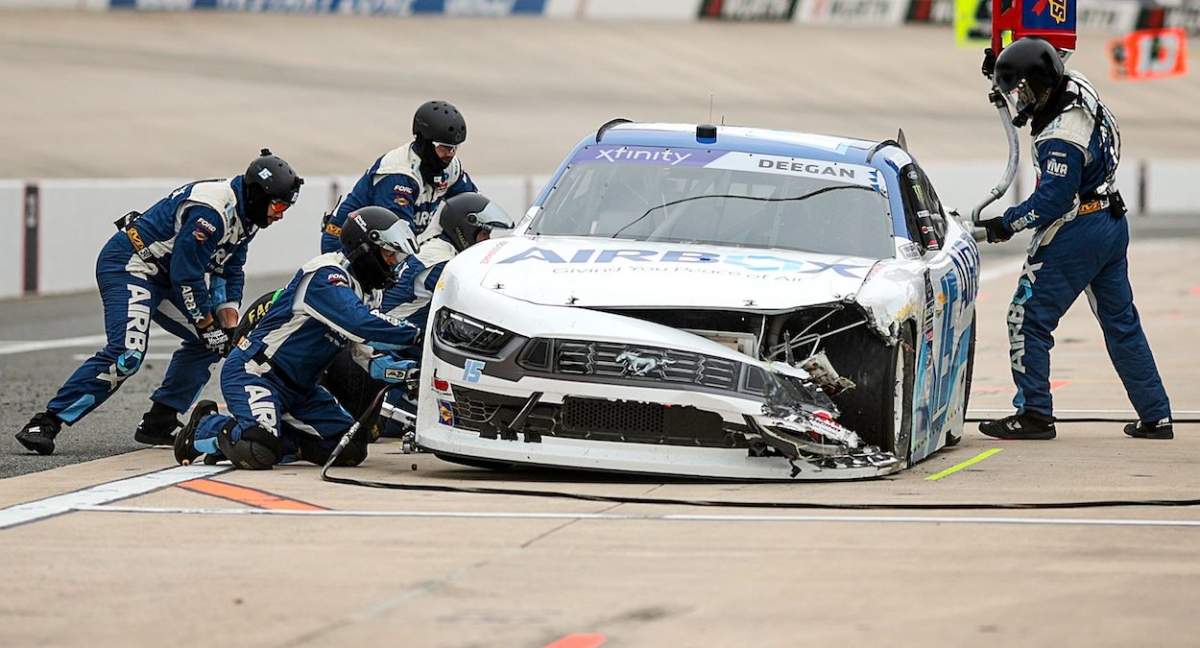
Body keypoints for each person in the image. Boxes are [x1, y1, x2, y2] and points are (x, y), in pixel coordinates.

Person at [15, 150, 303, 455]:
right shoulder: (211, 213)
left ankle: (160, 420)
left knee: (213, 342)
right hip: (132, 265)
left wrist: (228, 327)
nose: (280, 214)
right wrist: (207, 325)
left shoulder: (248, 216)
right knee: (127, 353)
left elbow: (229, 269)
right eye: (278, 205)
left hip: (166, 275)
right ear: (258, 194)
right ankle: (46, 421)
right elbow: (187, 275)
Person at [977, 38, 1172, 440]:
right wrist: (1004, 65)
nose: (1018, 102)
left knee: (1026, 318)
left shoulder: (1061, 138)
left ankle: (1034, 414)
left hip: (1077, 229)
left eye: (1021, 92)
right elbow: (1050, 56)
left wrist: (1005, 224)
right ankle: (1156, 416)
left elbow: (1052, 200)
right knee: (1122, 323)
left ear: (1040, 87)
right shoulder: (1074, 83)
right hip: (1110, 220)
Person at [173, 206, 422, 469]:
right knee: (257, 450)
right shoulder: (326, 275)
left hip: (302, 390)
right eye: (388, 254)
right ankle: (206, 427)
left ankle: (266, 436)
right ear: (365, 249)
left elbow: (368, 356)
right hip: (257, 372)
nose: (394, 263)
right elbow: (359, 324)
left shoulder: (370, 292)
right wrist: (418, 336)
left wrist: (410, 372)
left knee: (350, 449)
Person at [322, 192, 514, 438]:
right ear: (465, 229)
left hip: (388, 343)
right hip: (380, 351)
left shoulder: (438, 250)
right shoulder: (445, 264)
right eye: (483, 234)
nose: (487, 241)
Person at [320, 100, 476, 252]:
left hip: (384, 244)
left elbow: (473, 206)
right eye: (444, 148)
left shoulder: (452, 167)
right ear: (425, 142)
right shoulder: (399, 175)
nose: (450, 154)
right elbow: (399, 242)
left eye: (454, 148)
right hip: (344, 244)